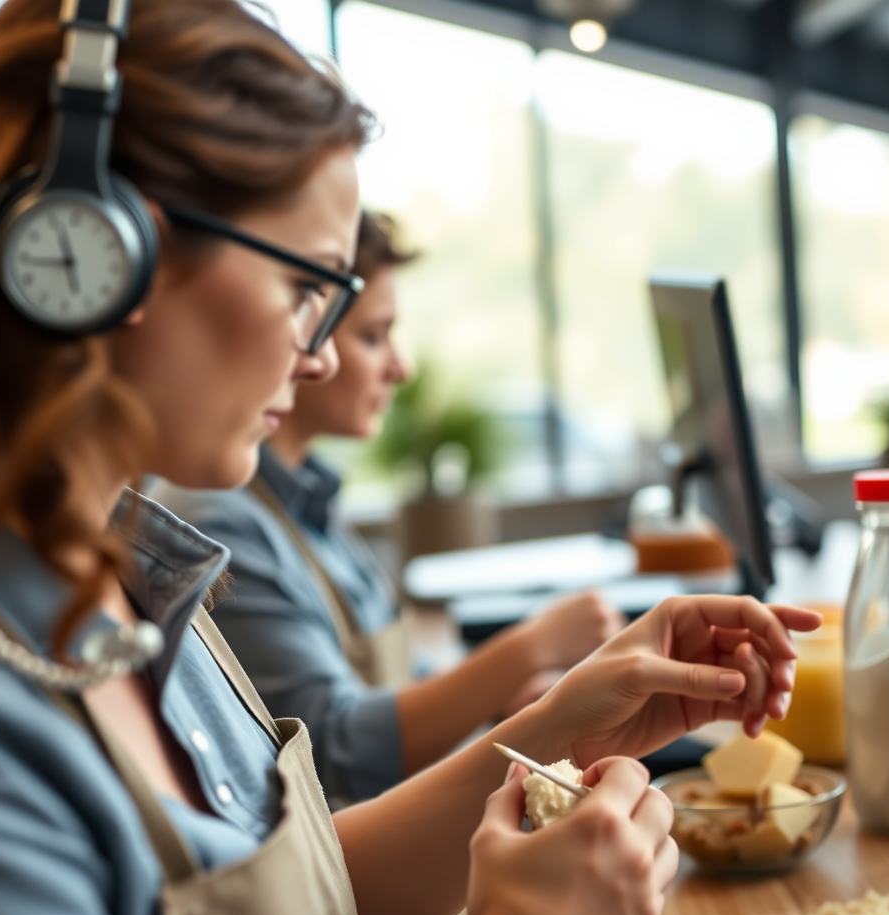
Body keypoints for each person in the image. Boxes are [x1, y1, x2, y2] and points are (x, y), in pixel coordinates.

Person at [0, 3, 822, 915]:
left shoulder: (128, 581)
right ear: (97, 248)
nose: (318, 353)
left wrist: (560, 730)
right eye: (304, 285)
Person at [154, 211, 624, 814]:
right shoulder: (220, 523)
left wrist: (509, 700)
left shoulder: (310, 502)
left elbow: (404, 683)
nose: (398, 367)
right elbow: (333, 742)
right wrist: (526, 648)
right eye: (374, 337)